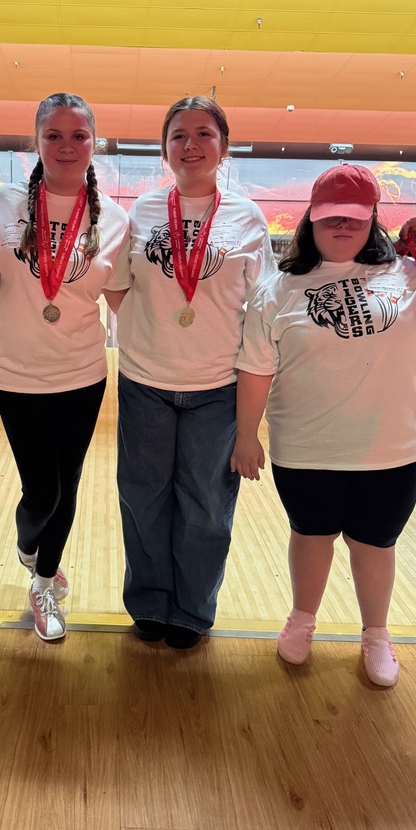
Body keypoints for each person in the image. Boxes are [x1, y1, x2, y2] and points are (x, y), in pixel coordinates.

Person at [232, 163, 416, 687]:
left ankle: (376, 635)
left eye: (354, 218)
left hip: (390, 449)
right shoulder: (279, 290)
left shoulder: (411, 277)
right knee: (311, 535)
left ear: (372, 221)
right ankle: (302, 620)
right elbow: (256, 367)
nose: (342, 227)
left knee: (375, 544)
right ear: (310, 222)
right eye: (330, 218)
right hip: (305, 447)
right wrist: (246, 434)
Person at [106, 95, 275, 649]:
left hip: (216, 389)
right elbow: (118, 288)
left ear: (223, 147)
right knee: (143, 498)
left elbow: (263, 309)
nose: (191, 145)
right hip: (145, 382)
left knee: (206, 507)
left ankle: (192, 612)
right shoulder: (145, 211)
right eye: (178, 135)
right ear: (164, 149)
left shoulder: (245, 216)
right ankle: (151, 604)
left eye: (204, 134)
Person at [0, 92, 129, 642]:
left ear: (95, 143)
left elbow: (122, 299)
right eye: (54, 136)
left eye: (78, 136)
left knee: (66, 487)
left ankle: (44, 582)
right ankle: (29, 548)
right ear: (36, 142)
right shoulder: (2, 205)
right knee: (39, 491)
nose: (66, 147)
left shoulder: (112, 219)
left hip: (81, 374)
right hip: (15, 373)